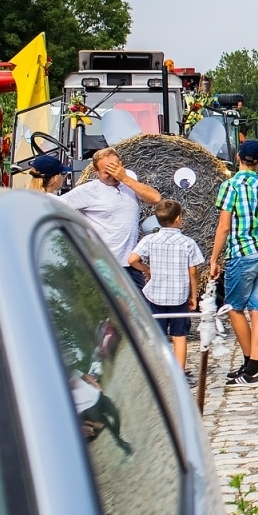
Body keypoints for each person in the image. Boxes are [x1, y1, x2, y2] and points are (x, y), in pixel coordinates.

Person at [210, 139, 258, 387]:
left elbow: (224, 226)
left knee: (234, 308)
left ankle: (251, 368)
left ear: (238, 157)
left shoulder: (230, 186)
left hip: (240, 253)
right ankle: (253, 366)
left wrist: (214, 258)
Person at [59, 147, 162, 285]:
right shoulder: (89, 190)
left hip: (130, 265)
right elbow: (54, 206)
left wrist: (124, 178)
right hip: (103, 265)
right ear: (96, 173)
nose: (113, 174)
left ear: (121, 166)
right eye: (107, 171)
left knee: (139, 305)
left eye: (115, 168)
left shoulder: (130, 186)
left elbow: (156, 198)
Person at [129, 200, 204, 371]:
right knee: (179, 336)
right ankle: (180, 374)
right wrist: (193, 296)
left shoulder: (150, 240)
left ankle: (161, 374)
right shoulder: (187, 242)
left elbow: (132, 260)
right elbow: (193, 272)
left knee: (158, 337)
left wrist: (147, 269)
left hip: (155, 296)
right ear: (178, 218)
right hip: (179, 296)